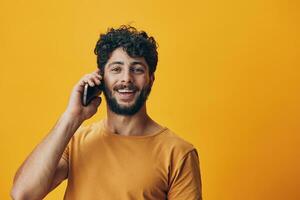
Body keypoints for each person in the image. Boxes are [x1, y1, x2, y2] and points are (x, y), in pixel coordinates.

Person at [11, 25, 202, 200]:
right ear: (101, 78)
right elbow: (23, 194)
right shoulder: (75, 141)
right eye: (116, 69)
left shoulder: (178, 153)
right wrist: (71, 117)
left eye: (137, 69)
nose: (126, 78)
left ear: (151, 79)